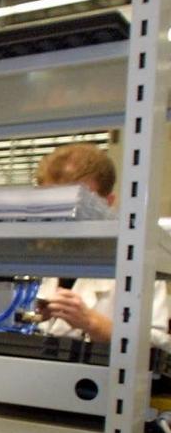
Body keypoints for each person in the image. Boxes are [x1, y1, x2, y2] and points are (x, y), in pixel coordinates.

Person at [34, 142, 170, 351]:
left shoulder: (138, 262)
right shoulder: (36, 256)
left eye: (78, 207)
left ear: (108, 203)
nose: (64, 219)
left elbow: (160, 346)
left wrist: (93, 323)